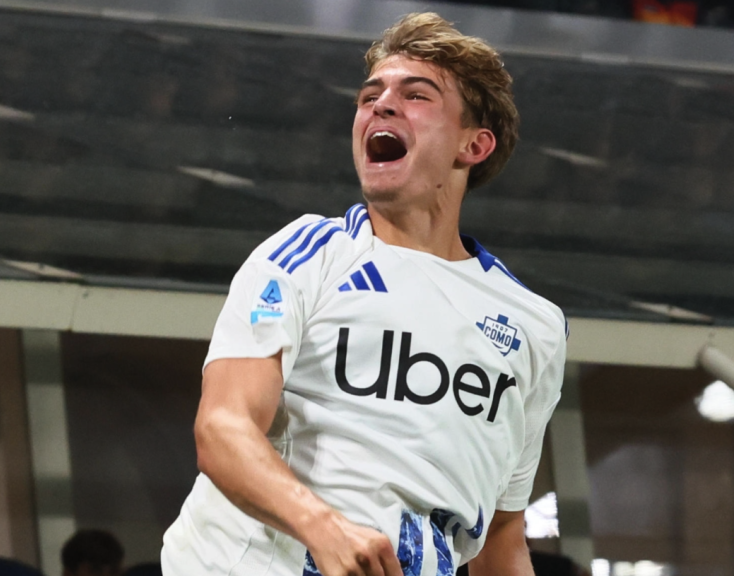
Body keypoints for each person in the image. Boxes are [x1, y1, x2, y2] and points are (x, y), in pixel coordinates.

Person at [161, 12, 567, 576]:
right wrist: (322, 527)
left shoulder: (535, 325)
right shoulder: (305, 253)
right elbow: (223, 427)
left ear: (474, 145)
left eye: (417, 94)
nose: (381, 104)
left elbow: (501, 534)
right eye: (370, 94)